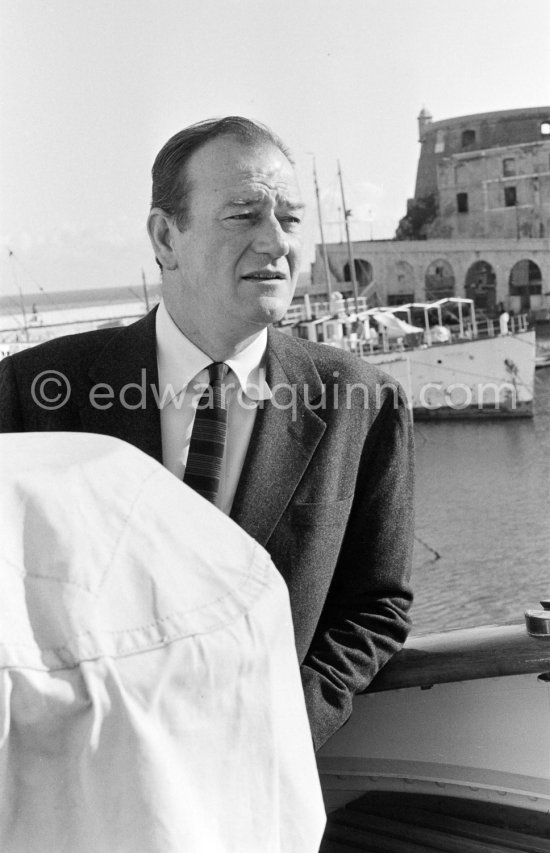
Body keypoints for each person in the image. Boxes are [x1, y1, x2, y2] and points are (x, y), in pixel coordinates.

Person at [0, 117, 414, 750]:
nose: (277, 242)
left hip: (257, 794)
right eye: (245, 214)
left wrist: (281, 728)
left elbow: (375, 606)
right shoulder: (31, 392)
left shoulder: (362, 403)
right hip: (69, 789)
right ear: (166, 237)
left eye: (291, 219)